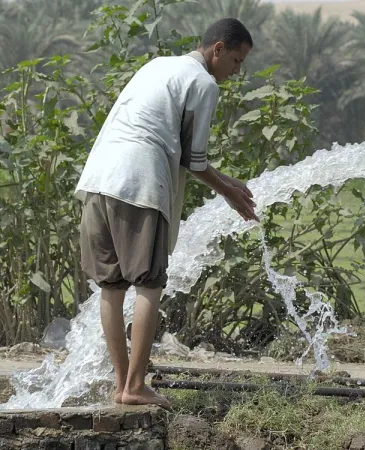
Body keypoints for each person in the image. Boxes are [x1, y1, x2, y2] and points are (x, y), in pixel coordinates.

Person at [74, 18, 260, 409]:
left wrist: (225, 180)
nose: (237, 72)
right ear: (218, 50)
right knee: (149, 283)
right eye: (238, 61)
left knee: (111, 286)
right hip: (139, 184)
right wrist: (228, 190)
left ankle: (121, 384)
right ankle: (137, 385)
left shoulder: (157, 66)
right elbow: (195, 159)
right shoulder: (204, 83)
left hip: (99, 178)